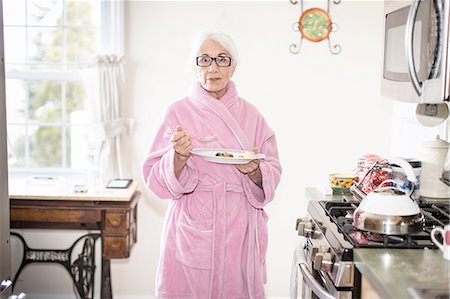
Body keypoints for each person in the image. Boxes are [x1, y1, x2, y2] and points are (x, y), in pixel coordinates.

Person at [142, 31, 282, 299]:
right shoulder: (176, 112)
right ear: (195, 66)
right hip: (195, 224)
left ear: (234, 67)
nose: (213, 67)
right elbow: (154, 178)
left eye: (222, 59)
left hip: (240, 228)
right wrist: (178, 157)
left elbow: (273, 167)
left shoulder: (252, 115)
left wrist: (254, 171)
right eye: (205, 59)